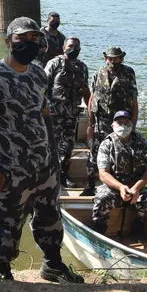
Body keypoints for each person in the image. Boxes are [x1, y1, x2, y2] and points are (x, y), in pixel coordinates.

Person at [0, 16, 83, 283]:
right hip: (11, 169)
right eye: (22, 38)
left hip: (43, 166)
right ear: (8, 41)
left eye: (34, 38)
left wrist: (54, 157)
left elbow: (45, 114)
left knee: (50, 219)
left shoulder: (37, 74)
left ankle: (53, 265)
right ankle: (3, 271)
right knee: (8, 222)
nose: (29, 43)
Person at [92, 111, 147, 234]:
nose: (123, 126)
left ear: (132, 125)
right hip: (114, 189)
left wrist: (135, 188)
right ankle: (100, 230)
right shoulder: (107, 144)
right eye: (119, 122)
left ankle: (138, 230)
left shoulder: (141, 143)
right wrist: (121, 187)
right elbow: (103, 174)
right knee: (101, 200)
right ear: (113, 125)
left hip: (136, 189)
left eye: (126, 123)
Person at [84, 46, 138, 196]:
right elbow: (92, 98)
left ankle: (115, 187)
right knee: (94, 153)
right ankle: (89, 186)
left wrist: (132, 124)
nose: (112, 61)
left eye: (116, 58)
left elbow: (134, 100)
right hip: (100, 120)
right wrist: (90, 122)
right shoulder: (98, 73)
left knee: (119, 154)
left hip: (120, 122)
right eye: (110, 58)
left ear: (121, 58)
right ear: (105, 58)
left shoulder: (128, 73)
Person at [44, 37, 91, 188]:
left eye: (77, 46)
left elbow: (85, 91)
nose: (74, 49)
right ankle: (50, 177)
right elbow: (42, 88)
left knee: (68, 146)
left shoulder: (82, 67)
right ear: (64, 47)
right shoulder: (54, 63)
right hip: (53, 113)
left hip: (71, 114)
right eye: (71, 46)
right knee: (52, 145)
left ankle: (64, 176)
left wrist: (91, 112)